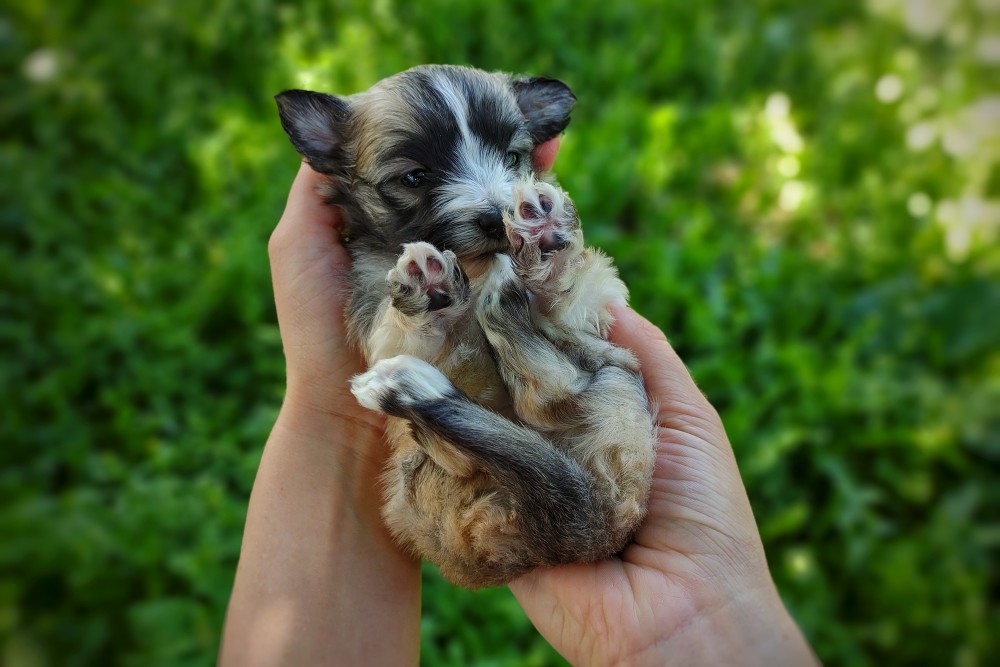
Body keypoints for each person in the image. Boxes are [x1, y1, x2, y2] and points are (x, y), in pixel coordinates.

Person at [219, 140, 820, 667]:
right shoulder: (385, 267)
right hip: (507, 482)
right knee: (555, 340)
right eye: (413, 178)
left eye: (505, 157)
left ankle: (479, 361)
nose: (484, 197)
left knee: (562, 334)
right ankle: (488, 352)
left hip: (531, 471)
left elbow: (585, 316)